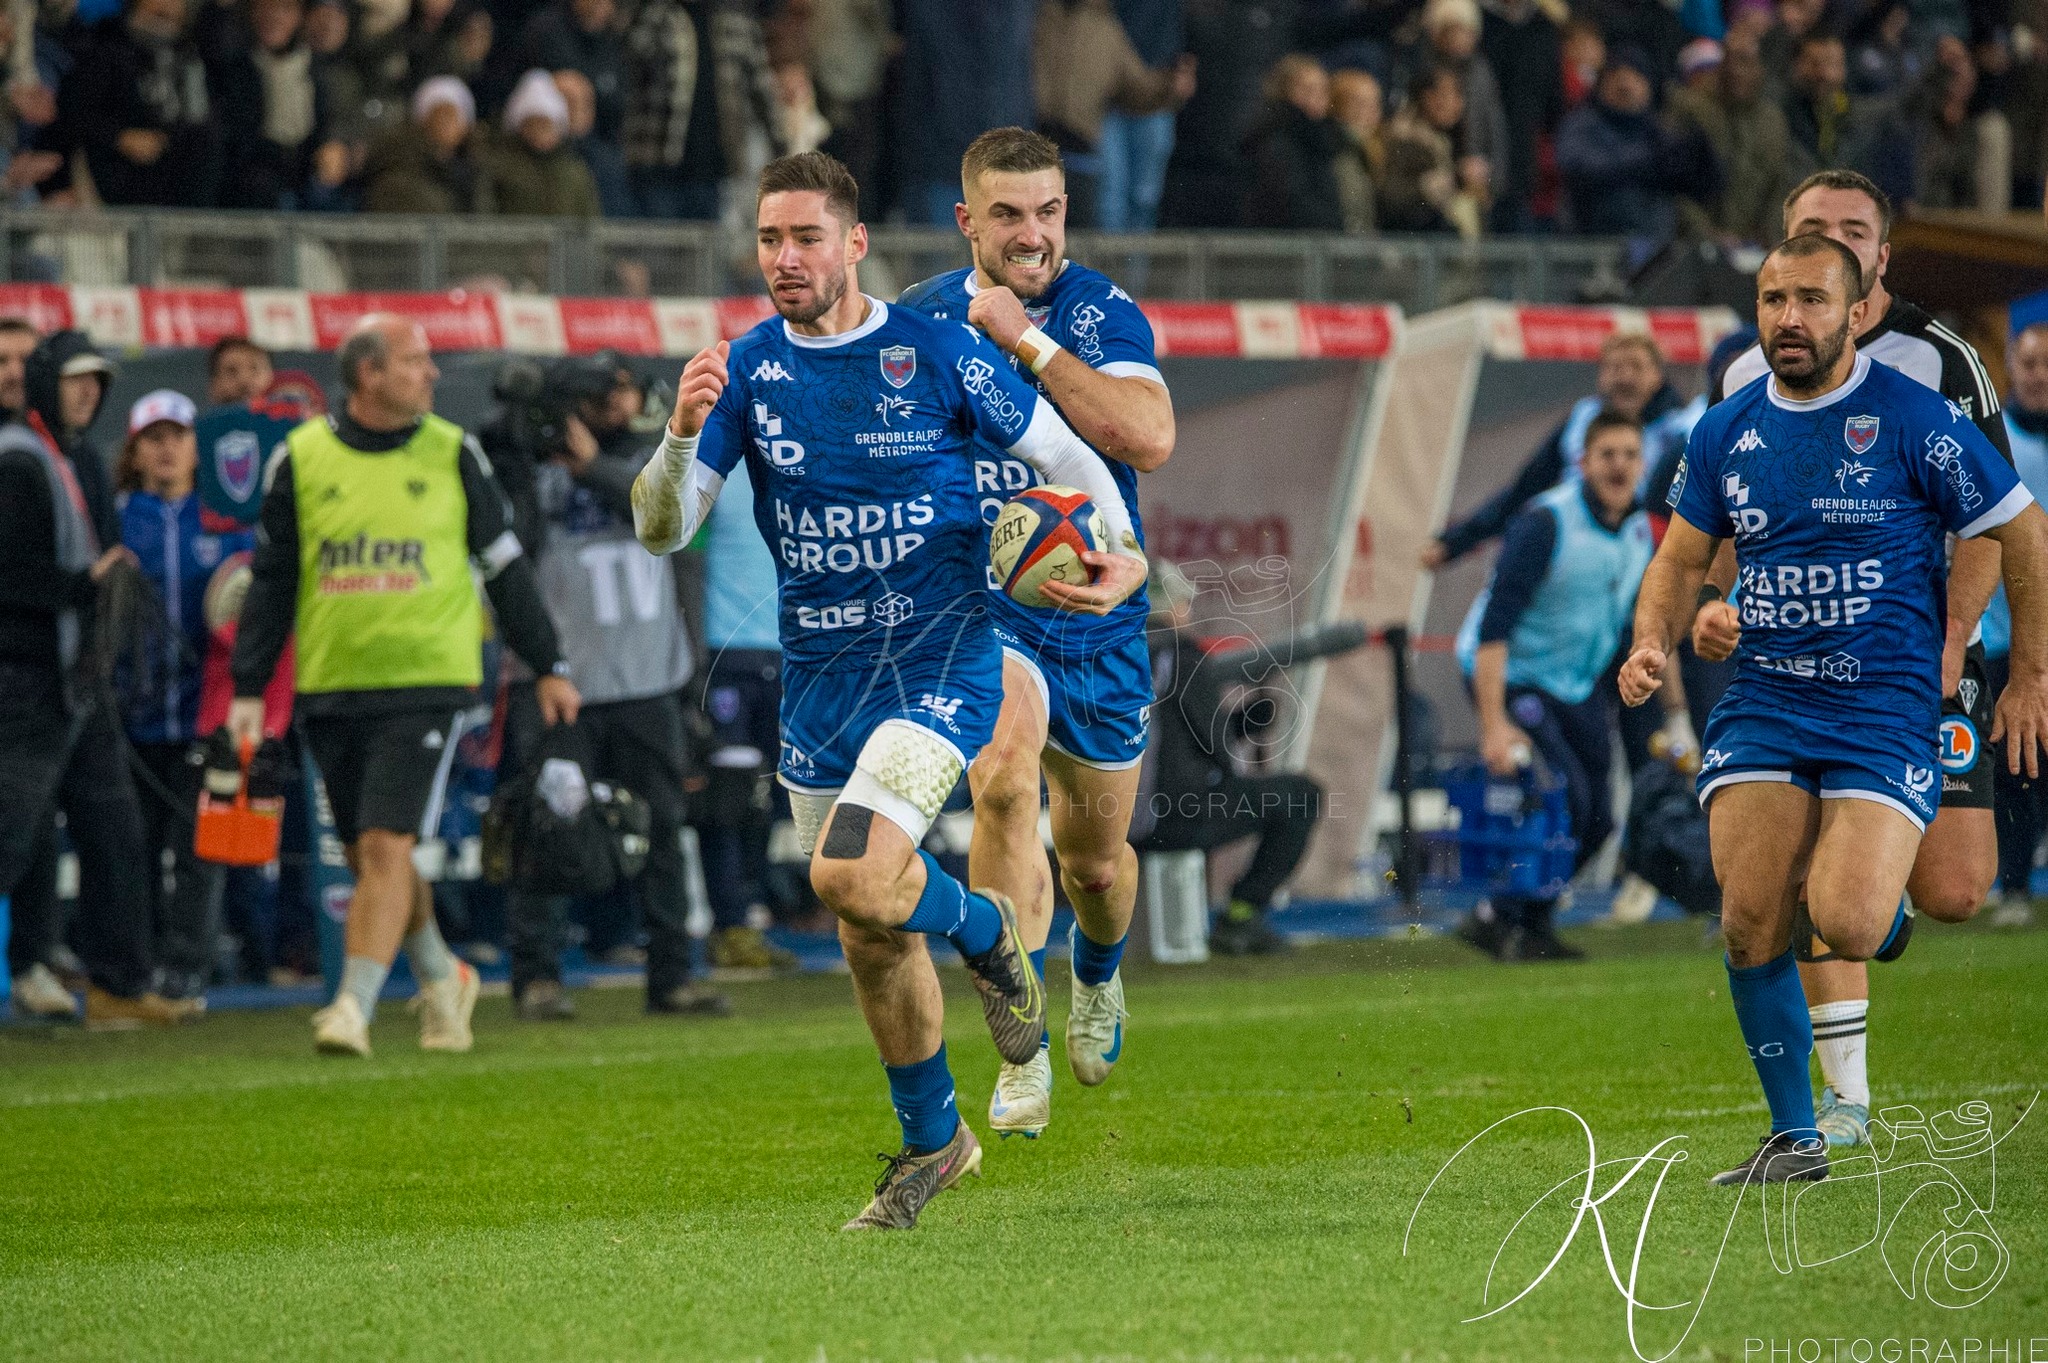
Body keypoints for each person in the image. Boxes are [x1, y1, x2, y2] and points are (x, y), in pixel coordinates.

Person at [632, 150, 1147, 1230]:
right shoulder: (747, 371)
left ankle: (985, 936)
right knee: (865, 927)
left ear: (854, 243)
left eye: (806, 237)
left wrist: (1119, 547)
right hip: (821, 680)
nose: (785, 258)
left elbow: (1070, 448)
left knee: (852, 873)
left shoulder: (936, 348)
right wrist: (678, 435)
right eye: (769, 239)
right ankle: (932, 1142)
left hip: (942, 659)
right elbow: (661, 526)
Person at [1620, 232, 2048, 1186]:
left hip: (1886, 702)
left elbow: (2021, 530)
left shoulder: (1916, 416)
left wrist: (2026, 674)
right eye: (1774, 301)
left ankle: (1869, 910)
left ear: (1857, 311)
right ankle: (1795, 1136)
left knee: (1846, 921)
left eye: (1811, 300)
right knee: (1748, 921)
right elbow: (1684, 558)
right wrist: (1656, 637)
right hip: (1769, 698)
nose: (1789, 320)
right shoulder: (1725, 427)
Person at [1695, 169, 2015, 1147]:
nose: (1825, 242)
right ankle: (1840, 1102)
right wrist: (1714, 600)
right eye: (1806, 229)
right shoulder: (1742, 371)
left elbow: (1997, 521)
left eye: (1849, 230)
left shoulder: (1939, 361)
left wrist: (1950, 640)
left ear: (1874, 258)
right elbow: (1716, 508)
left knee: (1951, 891)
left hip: (1923, 652)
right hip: (1788, 667)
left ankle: (1871, 903)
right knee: (1783, 891)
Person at [898, 127, 1175, 1141]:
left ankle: (1096, 976)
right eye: (1007, 214)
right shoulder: (920, 321)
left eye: (1047, 211)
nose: (1031, 232)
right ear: (967, 220)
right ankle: (1018, 1038)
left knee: (1095, 868)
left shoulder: (1098, 311)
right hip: (985, 607)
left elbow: (1145, 438)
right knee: (1002, 775)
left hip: (1096, 608)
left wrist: (1025, 337)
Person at [228, 313, 582, 1057]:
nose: (430, 372)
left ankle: (350, 1007)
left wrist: (548, 663)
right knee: (368, 859)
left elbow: (505, 568)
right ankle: (441, 974)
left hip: (428, 680)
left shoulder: (455, 453)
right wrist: (250, 685)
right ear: (369, 374)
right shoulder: (301, 458)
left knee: (387, 847)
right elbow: (271, 581)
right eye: (415, 360)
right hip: (332, 683)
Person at [505, 355, 717, 1020]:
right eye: (604, 390)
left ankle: (673, 976)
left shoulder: (656, 458)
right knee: (548, 830)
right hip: (561, 681)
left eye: (625, 386)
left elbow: (671, 516)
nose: (620, 399)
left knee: (662, 830)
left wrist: (590, 464)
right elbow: (507, 548)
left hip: (648, 676)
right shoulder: (530, 469)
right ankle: (537, 976)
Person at [0, 365, 191, 1029]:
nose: (86, 393)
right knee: (13, 837)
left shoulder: (74, 457)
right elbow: (12, 576)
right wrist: (84, 584)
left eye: (95, 382)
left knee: (116, 833)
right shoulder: (18, 460)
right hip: (25, 680)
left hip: (81, 679)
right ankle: (39, 967)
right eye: (74, 380)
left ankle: (118, 982)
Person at [1454, 410, 1655, 960]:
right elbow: (1494, 630)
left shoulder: (1640, 532)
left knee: (1601, 818)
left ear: (1644, 464)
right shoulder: (1546, 522)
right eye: (1607, 454)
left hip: (1575, 684)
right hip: (1512, 676)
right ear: (1584, 462)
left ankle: (1523, 921)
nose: (1619, 465)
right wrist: (1493, 725)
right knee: (1565, 795)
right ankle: (1502, 913)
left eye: (1630, 455)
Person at [117, 390, 250, 1004]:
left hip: (208, 714)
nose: (167, 447)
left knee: (202, 849)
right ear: (135, 450)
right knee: (133, 848)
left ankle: (188, 964)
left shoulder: (227, 522)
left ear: (199, 448)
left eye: (178, 435)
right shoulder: (117, 517)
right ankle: (137, 965)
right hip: (132, 716)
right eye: (154, 437)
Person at [1139, 560, 1324, 955]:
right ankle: (1242, 915)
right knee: (1301, 795)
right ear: (1175, 607)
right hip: (1172, 818)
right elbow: (1218, 750)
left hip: (1109, 819)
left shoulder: (1107, 656)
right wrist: (1244, 726)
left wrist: (1238, 724)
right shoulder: (1183, 655)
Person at [1425, 332, 1690, 568]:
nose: (1625, 377)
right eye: (1616, 367)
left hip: (1644, 560)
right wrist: (1456, 542)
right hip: (1571, 550)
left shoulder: (1680, 433)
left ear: (1658, 376)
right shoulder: (1581, 421)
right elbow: (1526, 487)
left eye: (1636, 367)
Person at [1985, 318, 2048, 928]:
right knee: (2017, 765)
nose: (2038, 375)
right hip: (2007, 636)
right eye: (2028, 363)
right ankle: (2014, 885)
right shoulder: (1992, 439)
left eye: (2046, 364)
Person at [1032, 0, 1194, 229]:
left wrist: (1169, 88)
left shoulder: (1104, 28)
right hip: (1030, 154)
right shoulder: (1034, 17)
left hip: (1079, 155)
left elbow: (1134, 87)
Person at [1239, 53, 1343, 231]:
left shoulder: (1324, 137)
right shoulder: (1275, 139)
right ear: (1283, 91)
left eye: (1322, 89)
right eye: (1306, 89)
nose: (1316, 97)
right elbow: (1294, 205)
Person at [481, 67, 600, 217]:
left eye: (546, 125)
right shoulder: (498, 168)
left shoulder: (575, 173)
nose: (540, 132)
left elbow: (590, 222)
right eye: (533, 123)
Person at [208, 337, 275, 407]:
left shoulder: (285, 413)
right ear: (214, 386)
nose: (244, 380)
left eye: (254, 369)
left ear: (271, 375)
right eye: (231, 371)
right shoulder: (206, 417)